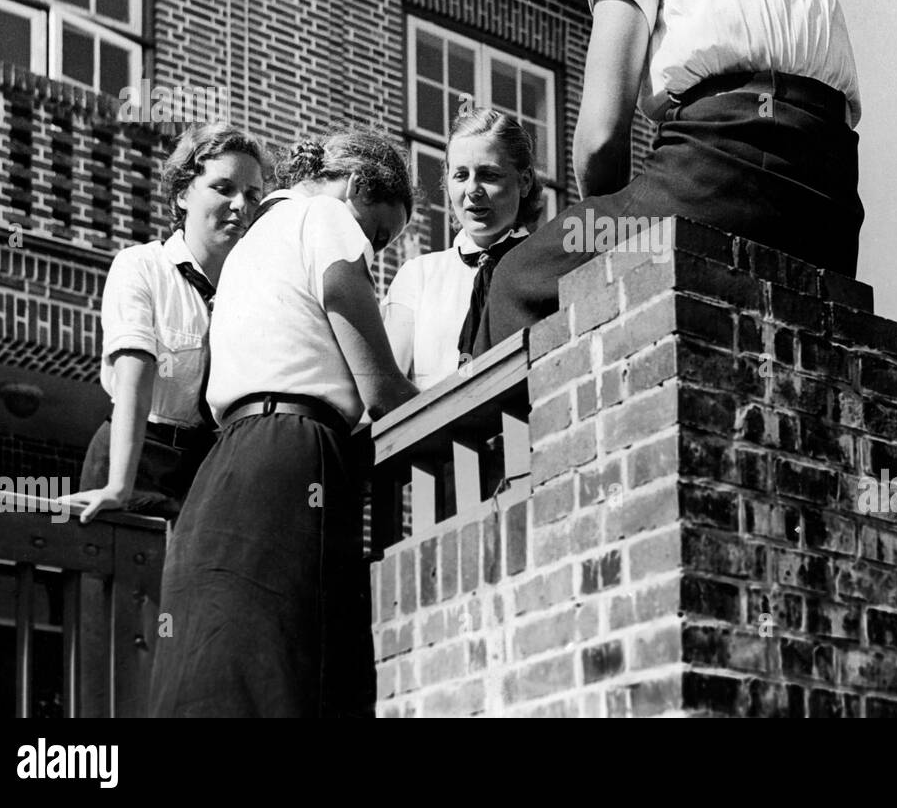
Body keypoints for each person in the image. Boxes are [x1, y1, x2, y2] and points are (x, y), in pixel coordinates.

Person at [474, 0, 864, 351]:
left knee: (520, 277)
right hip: (828, 216)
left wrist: (596, 226)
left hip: (715, 174)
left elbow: (599, 138)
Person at [147, 127, 417, 718]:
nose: (374, 250)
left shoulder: (245, 244)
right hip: (294, 457)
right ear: (353, 186)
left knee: (215, 668)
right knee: (297, 669)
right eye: (378, 234)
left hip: (222, 472)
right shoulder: (325, 215)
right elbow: (380, 387)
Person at [64, 123, 265, 524]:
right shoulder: (141, 266)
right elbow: (133, 382)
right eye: (223, 188)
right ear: (182, 194)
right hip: (136, 461)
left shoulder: (254, 292)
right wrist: (119, 486)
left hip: (206, 472)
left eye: (252, 194)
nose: (241, 204)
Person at [383, 106, 544, 389]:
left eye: (488, 175)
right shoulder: (418, 276)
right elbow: (388, 383)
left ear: (525, 181)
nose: (472, 190)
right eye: (461, 175)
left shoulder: (546, 265)